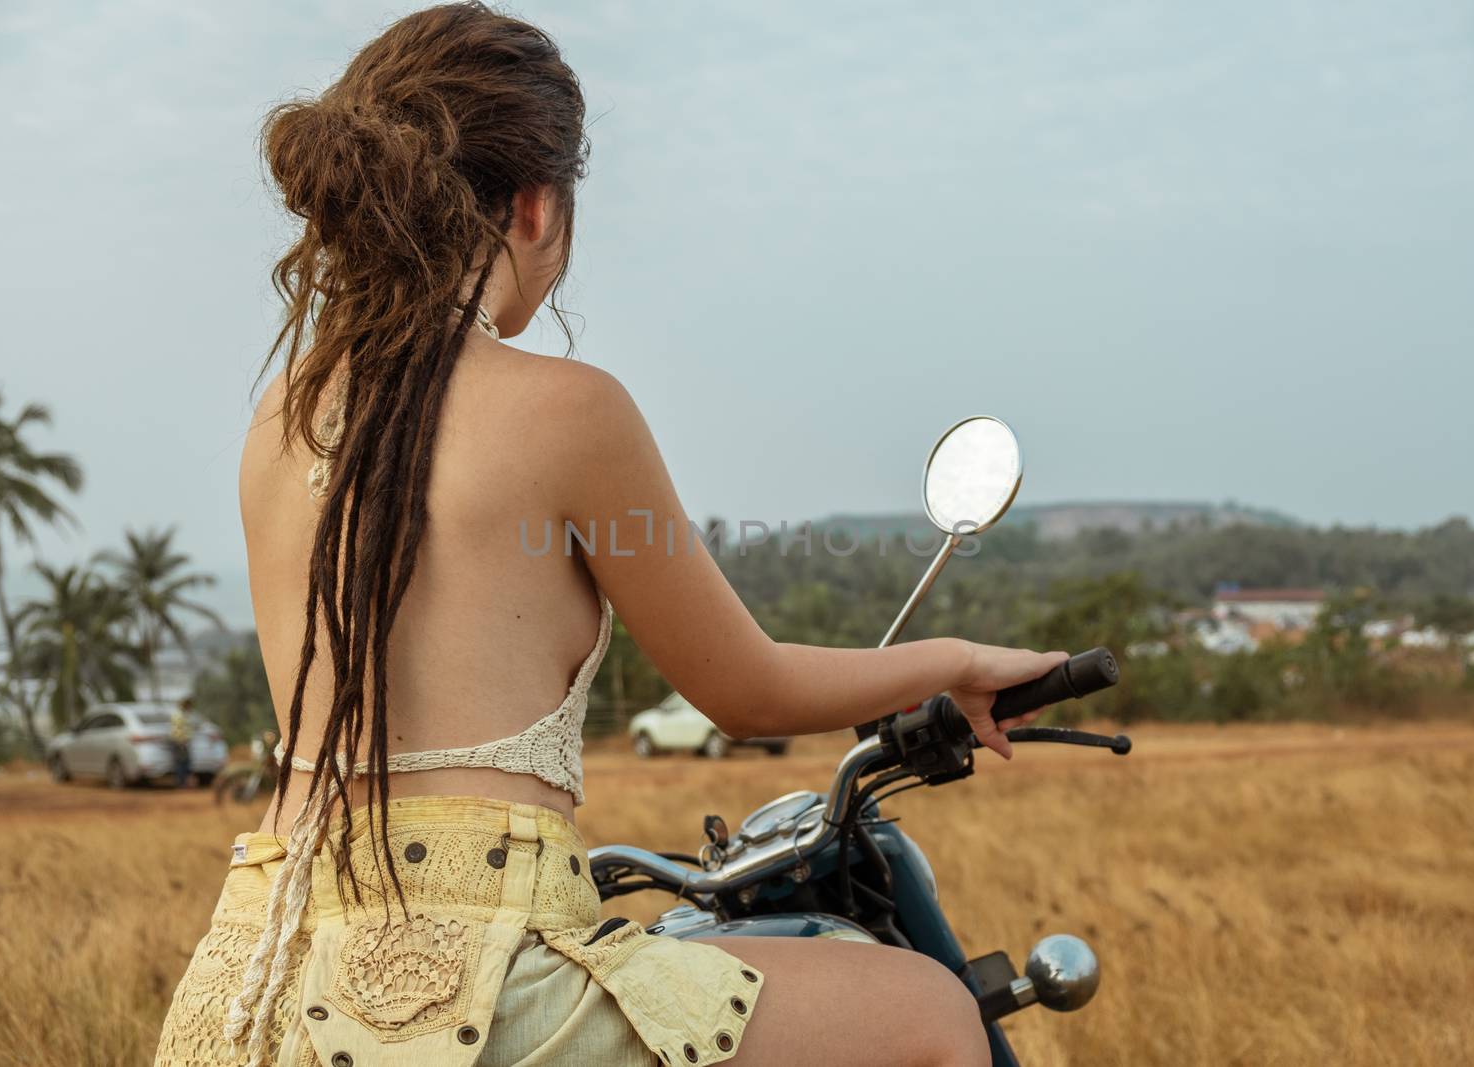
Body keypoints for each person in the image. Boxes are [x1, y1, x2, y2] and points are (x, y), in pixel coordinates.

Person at [154, 6, 1068, 1066]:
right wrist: (954, 659)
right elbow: (748, 690)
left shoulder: (284, 415)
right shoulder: (569, 411)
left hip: (255, 975)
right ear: (536, 206)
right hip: (478, 987)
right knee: (930, 1014)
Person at [169, 697, 194, 789]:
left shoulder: (182, 714)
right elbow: (178, 730)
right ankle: (181, 783)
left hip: (182, 741)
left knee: (184, 762)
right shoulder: (179, 715)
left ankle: (183, 783)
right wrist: (182, 741)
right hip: (180, 741)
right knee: (181, 762)